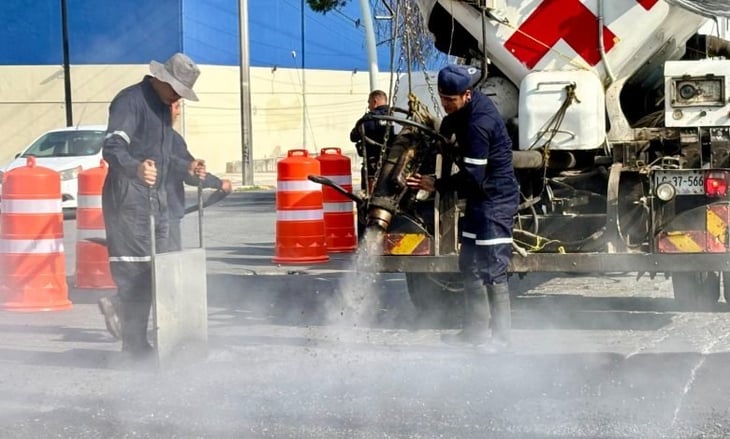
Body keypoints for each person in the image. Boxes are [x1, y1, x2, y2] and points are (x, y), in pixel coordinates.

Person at [97, 52, 207, 359]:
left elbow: (165, 156)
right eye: (175, 90)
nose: (176, 98)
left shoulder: (161, 107)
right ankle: (133, 347)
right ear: (161, 78)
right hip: (128, 199)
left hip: (155, 200)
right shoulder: (130, 101)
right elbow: (112, 146)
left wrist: (189, 167)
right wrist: (135, 168)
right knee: (135, 273)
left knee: (158, 272)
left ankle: (143, 333)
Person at [406, 64, 519, 348]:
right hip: (478, 200)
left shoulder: (479, 124)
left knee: (493, 269)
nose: (445, 104)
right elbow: (450, 127)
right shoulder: (463, 111)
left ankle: (502, 340)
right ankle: (476, 332)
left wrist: (436, 185)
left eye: (450, 100)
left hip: (495, 199)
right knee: (469, 263)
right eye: (442, 98)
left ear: (466, 95)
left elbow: (472, 177)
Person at [167, 99, 232, 251]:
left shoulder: (142, 133)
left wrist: (214, 181)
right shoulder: (168, 138)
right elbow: (187, 170)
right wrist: (218, 184)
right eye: (176, 107)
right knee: (168, 263)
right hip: (165, 213)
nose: (178, 112)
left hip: (143, 213)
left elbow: (189, 170)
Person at [349, 89, 392, 192]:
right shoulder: (395, 117)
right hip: (392, 167)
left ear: (375, 101)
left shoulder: (368, 119)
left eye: (369, 102)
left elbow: (353, 137)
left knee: (368, 195)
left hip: (372, 167)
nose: (368, 106)